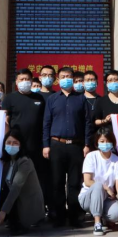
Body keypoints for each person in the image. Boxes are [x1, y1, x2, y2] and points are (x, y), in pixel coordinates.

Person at [43, 66, 93, 227]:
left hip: (76, 146)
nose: (66, 79)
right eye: (63, 76)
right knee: (57, 182)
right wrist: (46, 145)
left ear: (73, 79)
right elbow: (46, 123)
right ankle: (58, 217)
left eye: (69, 76)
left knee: (74, 183)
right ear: (58, 79)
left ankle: (74, 216)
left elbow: (87, 123)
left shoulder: (81, 98)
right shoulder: (52, 99)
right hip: (56, 145)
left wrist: (87, 144)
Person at [3, 69, 50, 220]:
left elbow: (45, 122)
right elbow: (5, 122)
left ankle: (37, 215)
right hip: (15, 148)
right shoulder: (9, 98)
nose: (24, 82)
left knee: (36, 183)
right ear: (16, 82)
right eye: (21, 79)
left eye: (27, 79)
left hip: (36, 147)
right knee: (13, 182)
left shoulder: (39, 98)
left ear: (32, 81)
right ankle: (12, 216)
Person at [0, 129, 45, 235]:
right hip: (17, 201)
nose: (11, 145)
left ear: (21, 145)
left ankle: (19, 222)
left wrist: (3, 211)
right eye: (8, 143)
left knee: (10, 192)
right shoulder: (8, 162)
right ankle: (11, 220)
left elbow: (16, 187)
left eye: (15, 143)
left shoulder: (25, 162)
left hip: (27, 203)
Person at [79, 127, 118, 236]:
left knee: (116, 215)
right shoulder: (91, 156)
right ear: (97, 143)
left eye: (108, 141)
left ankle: (104, 218)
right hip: (88, 197)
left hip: (106, 198)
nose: (105, 144)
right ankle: (97, 223)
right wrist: (106, 188)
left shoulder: (117, 160)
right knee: (98, 185)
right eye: (102, 141)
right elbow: (87, 181)